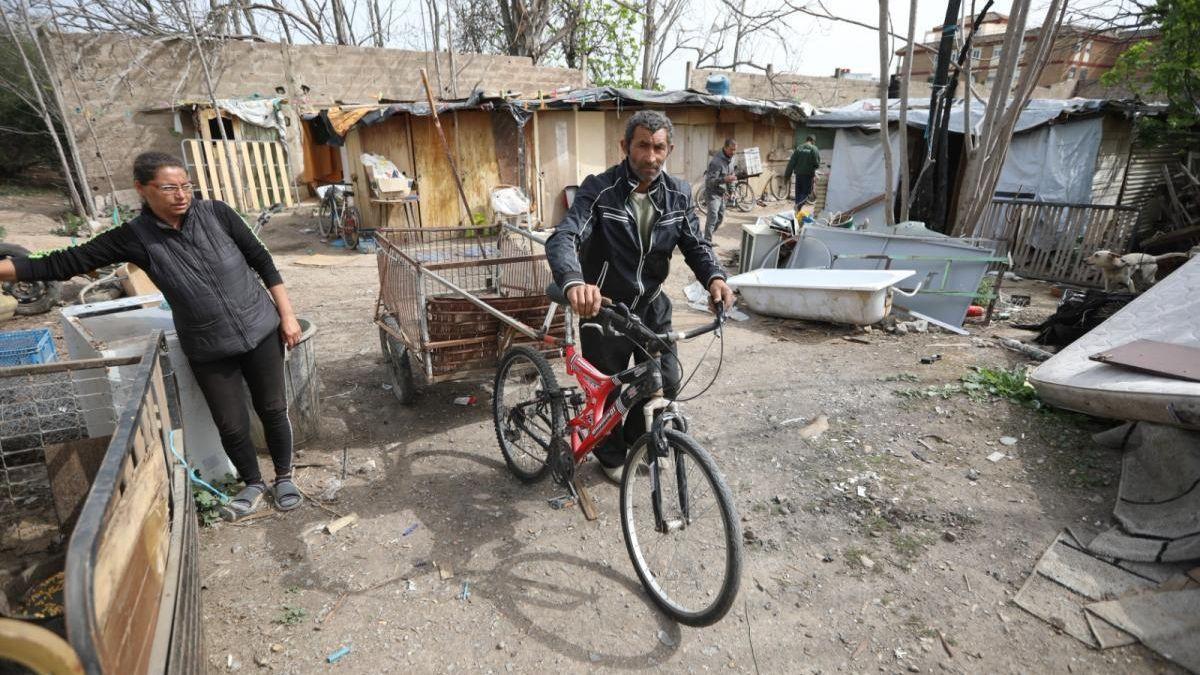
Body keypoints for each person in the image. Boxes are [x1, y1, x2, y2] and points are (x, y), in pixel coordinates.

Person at [0, 151, 303, 521]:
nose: (181, 195)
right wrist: (6, 269)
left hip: (261, 328)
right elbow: (63, 262)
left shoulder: (218, 214)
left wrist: (286, 316)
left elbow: (262, 260)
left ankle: (285, 476)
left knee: (272, 408)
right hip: (208, 346)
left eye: (186, 186)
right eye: (169, 188)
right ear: (142, 189)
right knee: (230, 422)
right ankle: (253, 482)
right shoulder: (134, 238)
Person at [546, 110, 735, 483]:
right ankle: (612, 456)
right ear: (625, 147)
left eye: (659, 147)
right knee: (609, 390)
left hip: (651, 305)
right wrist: (574, 282)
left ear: (670, 149)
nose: (651, 156)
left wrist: (715, 277)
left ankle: (637, 443)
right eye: (643, 146)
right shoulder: (599, 190)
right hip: (605, 308)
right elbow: (565, 236)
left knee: (662, 379)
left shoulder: (678, 195)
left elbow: (696, 245)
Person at [703, 138, 738, 241]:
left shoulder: (731, 159)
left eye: (735, 150)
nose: (733, 152)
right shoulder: (716, 161)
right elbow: (709, 181)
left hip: (722, 194)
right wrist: (724, 179)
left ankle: (706, 236)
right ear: (725, 147)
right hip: (712, 193)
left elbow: (731, 177)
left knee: (720, 218)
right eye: (732, 149)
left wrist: (732, 191)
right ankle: (707, 242)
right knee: (713, 217)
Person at [783, 135, 821, 210]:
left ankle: (797, 211)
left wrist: (787, 176)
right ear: (813, 141)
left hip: (798, 175)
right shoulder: (814, 149)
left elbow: (791, 163)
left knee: (798, 194)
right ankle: (798, 207)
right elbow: (817, 164)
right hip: (808, 176)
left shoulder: (799, 148)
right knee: (805, 194)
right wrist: (813, 168)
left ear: (806, 140)